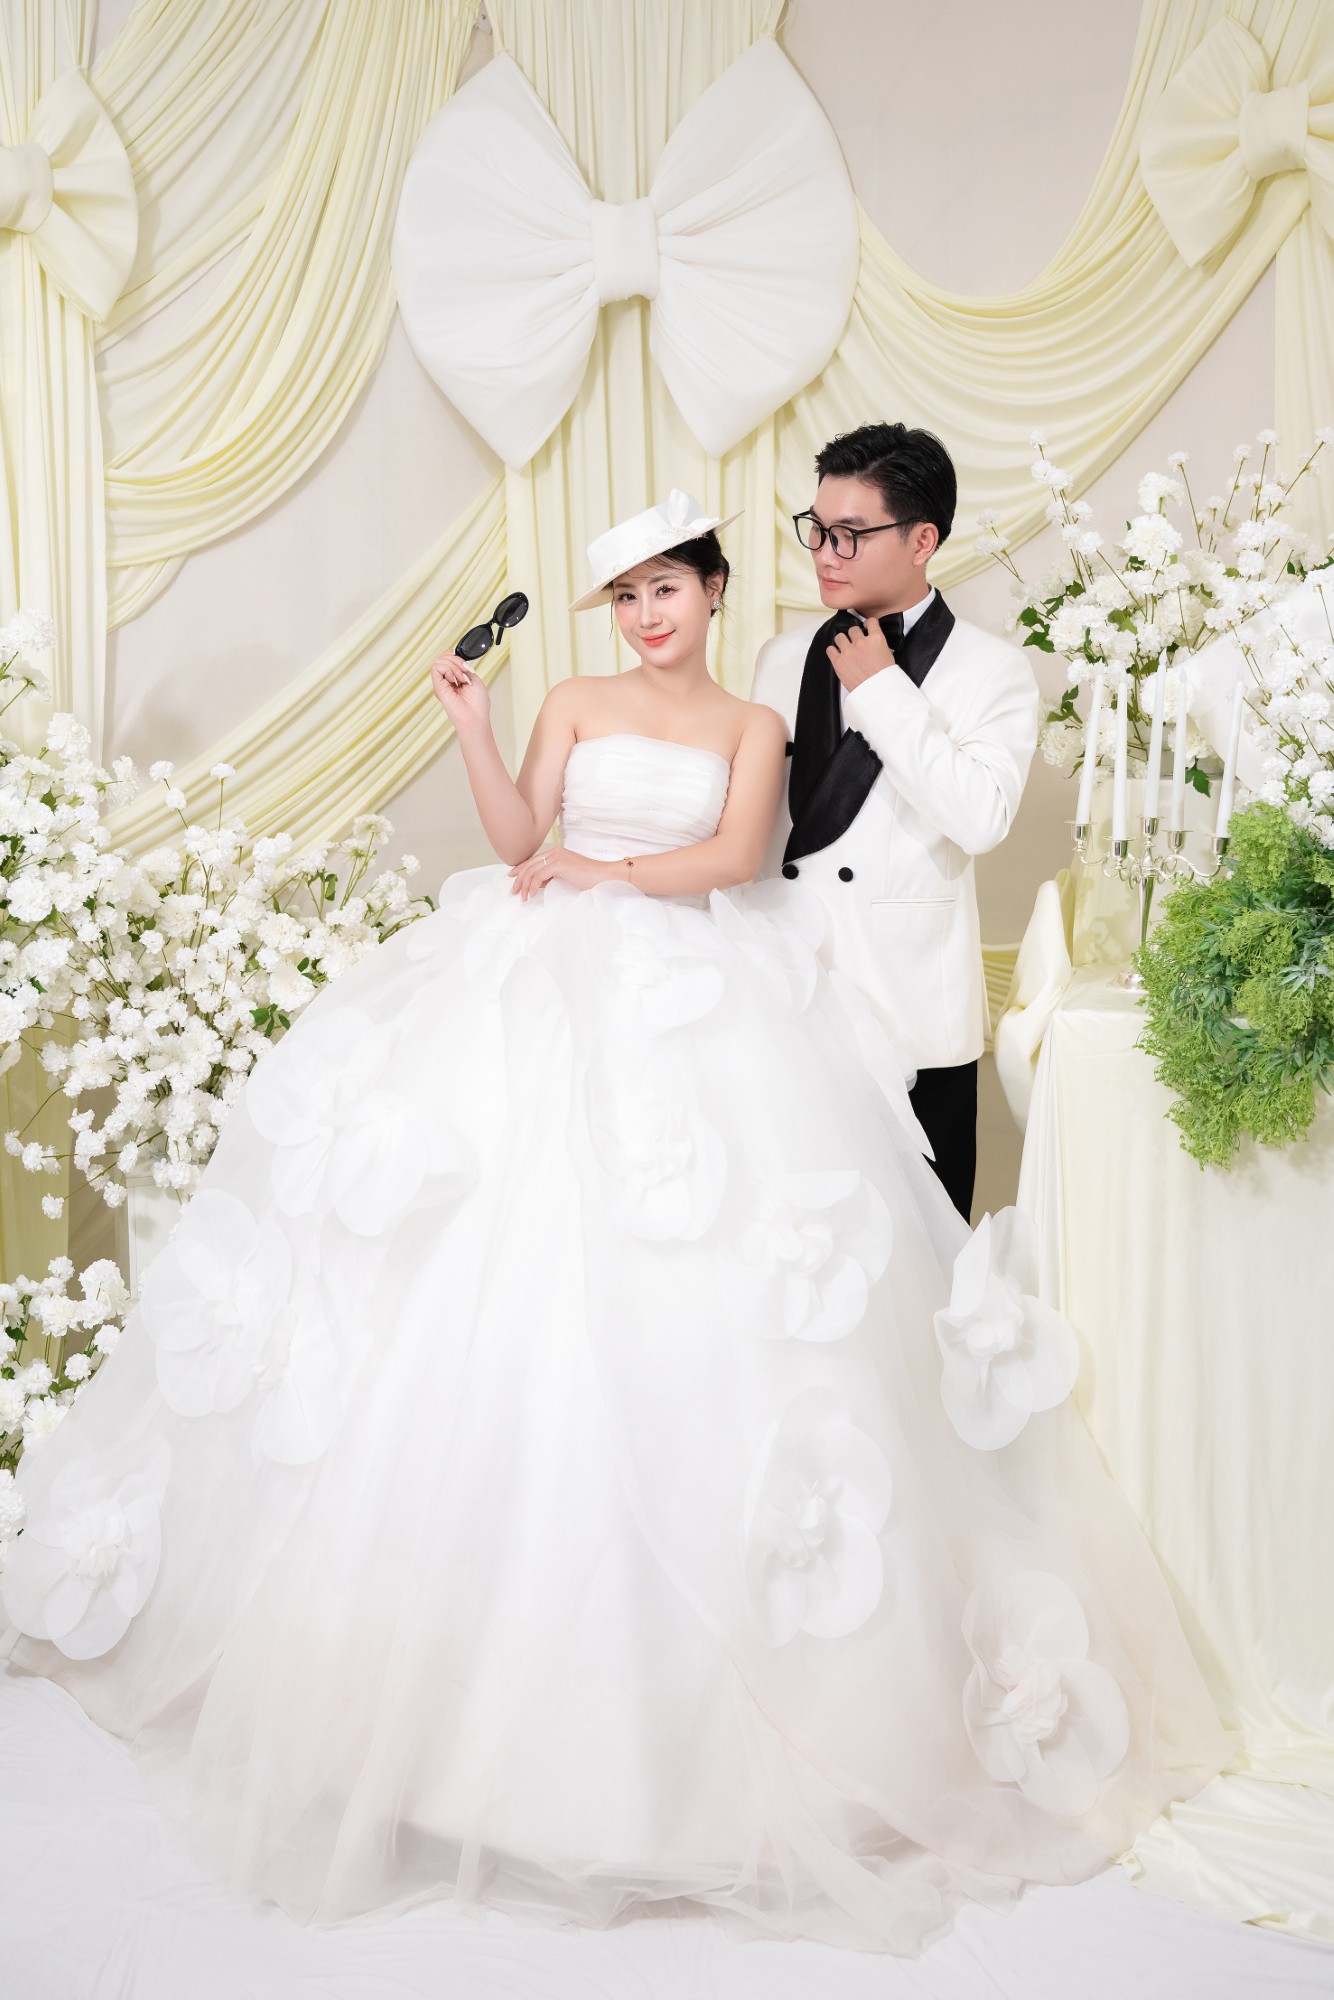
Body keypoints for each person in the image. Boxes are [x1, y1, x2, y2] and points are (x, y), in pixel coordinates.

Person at [0, 492, 1226, 1956]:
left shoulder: (753, 721)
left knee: (713, 1306)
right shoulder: (574, 701)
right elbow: (518, 831)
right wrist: (475, 727)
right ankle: (445, 1733)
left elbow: (738, 860)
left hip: (694, 989)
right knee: (497, 1291)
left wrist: (606, 873)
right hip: (535, 979)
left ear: (711, 592)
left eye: (667, 590)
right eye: (626, 598)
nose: (647, 617)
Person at [752, 424, 1039, 1220]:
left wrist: (881, 689)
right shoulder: (781, 656)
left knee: (929, 1257)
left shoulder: (994, 670)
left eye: (850, 534)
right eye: (816, 529)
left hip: (909, 1014)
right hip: (787, 1001)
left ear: (922, 540)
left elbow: (980, 818)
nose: (824, 553)